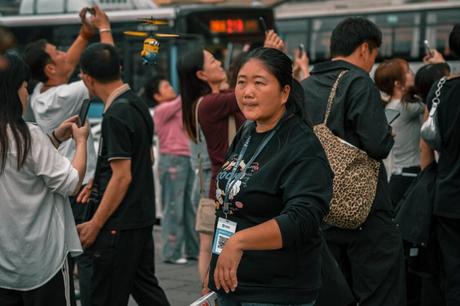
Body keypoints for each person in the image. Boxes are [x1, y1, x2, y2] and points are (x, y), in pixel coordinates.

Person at [204, 47, 332, 306]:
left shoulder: (302, 145)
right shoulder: (247, 132)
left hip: (276, 291)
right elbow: (229, 205)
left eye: (259, 83)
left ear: (285, 92)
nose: (247, 92)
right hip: (232, 283)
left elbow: (304, 218)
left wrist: (239, 242)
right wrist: (215, 264)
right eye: (241, 82)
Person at [302, 17, 406, 306]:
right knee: (381, 290)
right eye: (373, 54)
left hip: (324, 207)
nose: (373, 62)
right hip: (365, 211)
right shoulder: (358, 81)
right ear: (364, 49)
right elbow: (377, 144)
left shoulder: (306, 85)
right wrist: (387, 133)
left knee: (337, 292)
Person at [23, 7, 113, 305]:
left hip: (65, 188)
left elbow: (70, 61)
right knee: (85, 259)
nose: (66, 54)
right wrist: (104, 30)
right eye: (57, 52)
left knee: (74, 258)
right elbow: (105, 70)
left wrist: (84, 33)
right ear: (49, 68)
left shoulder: (40, 92)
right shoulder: (65, 95)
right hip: (78, 187)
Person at [77, 43, 169, 306]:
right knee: (147, 290)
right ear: (119, 67)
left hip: (120, 223)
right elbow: (143, 158)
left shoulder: (115, 114)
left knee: (104, 296)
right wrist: (100, 177)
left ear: (87, 78)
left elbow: (122, 177)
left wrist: (95, 224)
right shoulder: (137, 103)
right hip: (140, 217)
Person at [0, 52, 88, 306]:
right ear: (12, 92)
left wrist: (55, 139)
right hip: (41, 260)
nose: (27, 93)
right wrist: (80, 141)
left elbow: (19, 164)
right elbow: (71, 183)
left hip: (5, 265)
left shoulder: (25, 139)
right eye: (25, 87)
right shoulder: (28, 135)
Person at [420, 24, 460, 306]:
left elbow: (426, 143)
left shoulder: (440, 88)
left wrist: (429, 180)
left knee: (453, 273)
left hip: (449, 196)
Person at [147, 75, 199, 264]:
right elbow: (184, 99)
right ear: (157, 96)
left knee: (188, 208)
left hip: (184, 158)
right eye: (166, 86)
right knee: (173, 207)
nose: (171, 88)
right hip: (172, 161)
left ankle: (194, 249)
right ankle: (172, 252)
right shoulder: (161, 110)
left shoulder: (176, 108)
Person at [374, 58, 424, 206]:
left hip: (399, 175)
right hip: (410, 174)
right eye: (408, 71)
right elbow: (434, 102)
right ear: (397, 84)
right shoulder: (406, 108)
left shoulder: (390, 106)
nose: (412, 73)